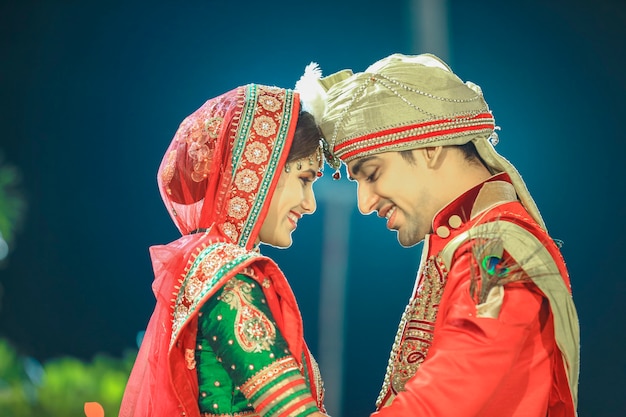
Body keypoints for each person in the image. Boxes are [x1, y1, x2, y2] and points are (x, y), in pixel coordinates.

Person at [298, 54, 580, 416]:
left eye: (371, 173)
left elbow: (456, 385)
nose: (365, 203)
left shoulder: (496, 251)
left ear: (430, 147)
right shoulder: (466, 241)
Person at [119, 84, 328, 417]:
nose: (310, 204)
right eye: (304, 179)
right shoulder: (227, 276)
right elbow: (294, 411)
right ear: (262, 168)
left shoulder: (208, 263)